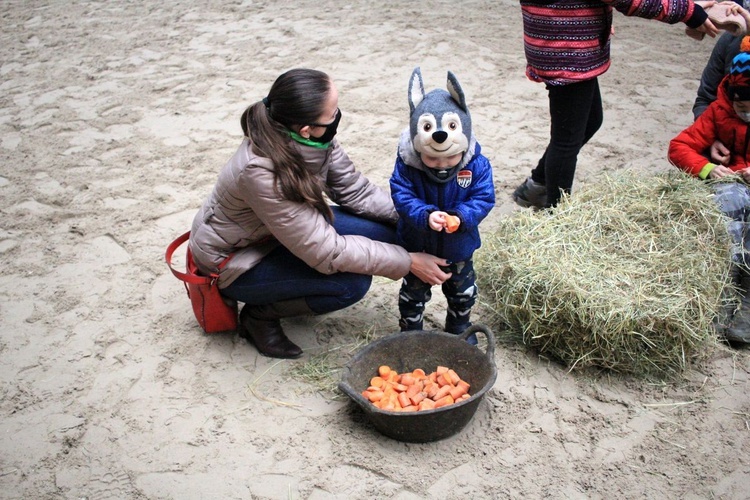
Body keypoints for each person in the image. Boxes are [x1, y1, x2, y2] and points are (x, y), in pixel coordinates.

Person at [188, 68, 452, 359]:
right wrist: (408, 262)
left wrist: (418, 216)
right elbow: (328, 253)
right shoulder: (259, 172)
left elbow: (356, 191)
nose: (337, 116)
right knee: (350, 283)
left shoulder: (314, 138)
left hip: (279, 234)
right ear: (305, 128)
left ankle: (291, 289)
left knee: (391, 233)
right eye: (333, 112)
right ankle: (258, 316)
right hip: (238, 260)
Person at [513, 0, 720, 210]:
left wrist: (591, 20)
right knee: (566, 141)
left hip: (557, 41)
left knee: (590, 121)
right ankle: (554, 213)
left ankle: (535, 186)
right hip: (569, 54)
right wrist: (688, 11)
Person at [390, 68, 495, 344]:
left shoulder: (476, 165)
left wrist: (461, 217)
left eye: (450, 159)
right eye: (432, 160)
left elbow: (484, 198)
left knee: (463, 293)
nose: (441, 165)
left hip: (459, 248)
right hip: (418, 245)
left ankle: (459, 327)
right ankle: (411, 332)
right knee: (412, 297)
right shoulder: (407, 164)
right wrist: (424, 215)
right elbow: (401, 195)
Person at [668, 37, 750, 344]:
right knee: (728, 208)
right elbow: (679, 146)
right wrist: (707, 167)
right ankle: (724, 292)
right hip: (731, 185)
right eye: (741, 107)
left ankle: (747, 304)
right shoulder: (719, 111)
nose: (745, 114)